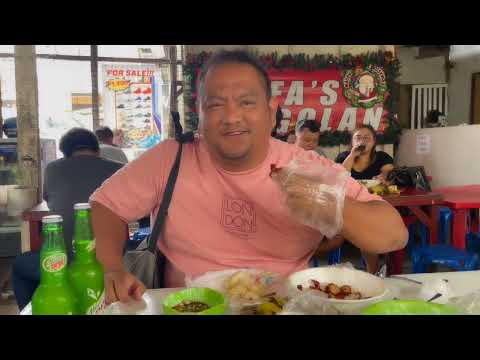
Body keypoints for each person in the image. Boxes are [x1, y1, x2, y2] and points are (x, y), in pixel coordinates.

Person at [89, 50, 408, 304]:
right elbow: (106, 205)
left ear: (271, 111)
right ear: (199, 113)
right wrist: (112, 268)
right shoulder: (170, 157)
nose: (231, 117)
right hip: (189, 304)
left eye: (246, 102)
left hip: (286, 304)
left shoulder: (306, 167)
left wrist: (327, 203)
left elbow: (393, 236)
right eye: (215, 105)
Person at [11, 128, 124, 311]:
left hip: (64, 264)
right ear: (97, 149)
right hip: (113, 266)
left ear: (65, 152)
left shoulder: (53, 169)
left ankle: (37, 309)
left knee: (20, 265)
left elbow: (49, 199)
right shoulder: (118, 169)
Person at [335, 124, 395, 274]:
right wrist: (353, 154)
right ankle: (373, 270)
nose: (362, 141)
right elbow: (339, 175)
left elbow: (389, 172)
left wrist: (384, 177)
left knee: (371, 226)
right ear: (352, 142)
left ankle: (376, 269)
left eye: (367, 138)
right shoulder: (344, 157)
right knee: (366, 227)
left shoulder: (382, 157)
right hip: (350, 205)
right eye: (358, 138)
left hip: (376, 204)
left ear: (374, 142)